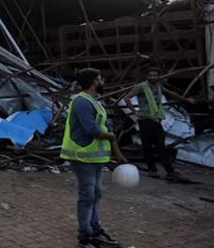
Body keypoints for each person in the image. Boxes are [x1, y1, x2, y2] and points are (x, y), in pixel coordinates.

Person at [61, 68, 126, 248]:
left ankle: (95, 230)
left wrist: (116, 151)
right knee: (87, 196)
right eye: (100, 78)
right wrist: (111, 137)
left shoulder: (94, 101)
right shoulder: (82, 102)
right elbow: (92, 130)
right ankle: (85, 236)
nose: (102, 81)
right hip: (81, 156)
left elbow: (102, 128)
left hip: (94, 157)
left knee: (95, 194)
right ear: (94, 82)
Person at [124, 67, 180, 178]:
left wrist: (186, 100)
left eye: (155, 75)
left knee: (161, 146)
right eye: (151, 75)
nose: (153, 77)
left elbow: (171, 93)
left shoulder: (159, 87)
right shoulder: (141, 87)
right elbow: (127, 97)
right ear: (146, 76)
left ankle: (169, 170)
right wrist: (134, 111)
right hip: (145, 121)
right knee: (147, 146)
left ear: (158, 76)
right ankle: (152, 169)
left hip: (157, 120)